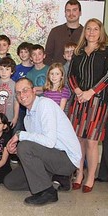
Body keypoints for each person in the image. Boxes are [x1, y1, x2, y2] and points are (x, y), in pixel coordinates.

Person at [3, 78, 81, 205]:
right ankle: (56, 179)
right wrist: (17, 151)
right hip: (50, 157)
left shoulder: (45, 105)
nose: (22, 95)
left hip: (66, 159)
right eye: (18, 93)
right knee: (10, 182)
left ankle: (48, 192)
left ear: (34, 91)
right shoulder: (27, 118)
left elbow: (49, 142)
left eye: (25, 90)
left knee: (24, 146)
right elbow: (37, 145)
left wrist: (20, 135)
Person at [68, 18, 108, 193]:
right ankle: (79, 173)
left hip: (97, 102)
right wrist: (77, 90)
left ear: (101, 32)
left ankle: (91, 176)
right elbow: (70, 75)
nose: (91, 32)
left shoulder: (106, 51)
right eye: (89, 29)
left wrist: (91, 92)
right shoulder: (78, 52)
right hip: (78, 101)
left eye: (95, 29)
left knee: (91, 142)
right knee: (78, 140)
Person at [44, 0, 83, 65]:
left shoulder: (86, 33)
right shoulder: (55, 32)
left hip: (78, 74)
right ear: (65, 13)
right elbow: (47, 55)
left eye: (74, 10)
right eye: (68, 10)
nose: (71, 13)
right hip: (57, 73)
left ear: (80, 13)